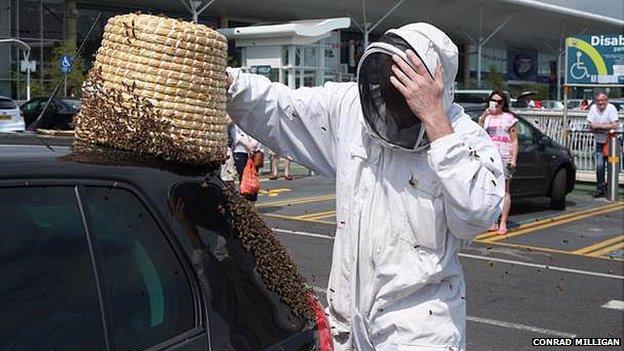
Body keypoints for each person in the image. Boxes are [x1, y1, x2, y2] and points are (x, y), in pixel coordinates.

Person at [226, 23, 505, 350]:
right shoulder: (350, 109)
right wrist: (230, 84)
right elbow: (281, 107)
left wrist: (436, 123)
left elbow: (477, 215)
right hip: (346, 323)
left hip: (420, 331)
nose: (394, 109)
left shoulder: (465, 138)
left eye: (410, 97)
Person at [478, 91, 518, 235]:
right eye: (493, 101)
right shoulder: (487, 117)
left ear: (504, 103)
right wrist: (484, 115)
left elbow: (514, 140)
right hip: (489, 157)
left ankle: (503, 222)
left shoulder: (509, 118)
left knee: (504, 190)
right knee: (489, 189)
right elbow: (479, 130)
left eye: (499, 101)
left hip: (504, 156)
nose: (496, 104)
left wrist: (513, 160)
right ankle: (493, 221)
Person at [586, 92, 620, 197]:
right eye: (598, 101)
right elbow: (590, 126)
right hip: (599, 143)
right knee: (599, 166)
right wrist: (606, 126)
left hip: (612, 143)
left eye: (603, 100)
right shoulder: (593, 109)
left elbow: (615, 125)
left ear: (607, 100)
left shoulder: (612, 108)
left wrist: (599, 126)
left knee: (612, 167)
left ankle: (611, 187)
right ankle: (600, 188)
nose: (600, 103)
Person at [230, 123, 264, 202]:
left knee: (253, 177)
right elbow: (234, 132)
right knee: (243, 176)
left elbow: (260, 132)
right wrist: (247, 144)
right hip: (240, 150)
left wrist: (252, 146)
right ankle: (244, 203)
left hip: (255, 151)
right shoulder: (236, 117)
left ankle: (251, 202)